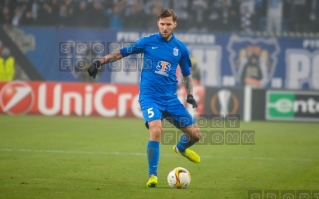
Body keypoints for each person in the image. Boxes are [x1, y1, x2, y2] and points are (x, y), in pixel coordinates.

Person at [87, 8, 202, 188]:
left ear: (174, 24)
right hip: (150, 98)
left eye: (168, 24)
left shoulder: (180, 48)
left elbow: (187, 74)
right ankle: (152, 176)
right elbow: (122, 52)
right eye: (162, 24)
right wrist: (99, 62)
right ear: (158, 23)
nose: (165, 27)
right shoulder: (147, 42)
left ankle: (180, 148)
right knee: (156, 130)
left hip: (170, 99)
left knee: (196, 135)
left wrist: (190, 94)